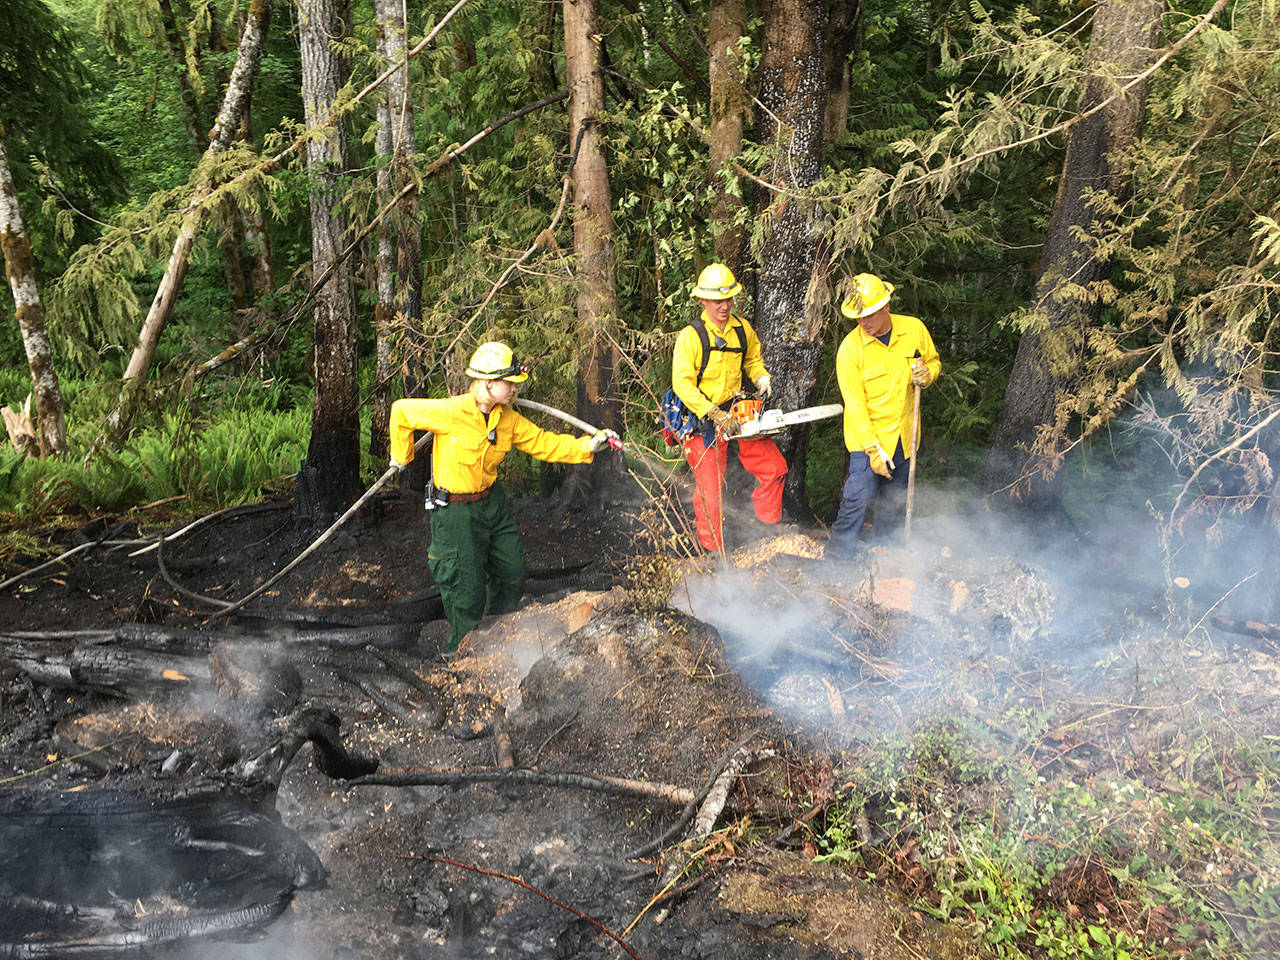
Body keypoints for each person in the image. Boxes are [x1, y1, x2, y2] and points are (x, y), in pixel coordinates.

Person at [389, 341, 619, 649]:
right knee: (465, 587)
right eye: (508, 384)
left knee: (512, 571)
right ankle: (464, 652)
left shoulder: (507, 419)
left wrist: (586, 446)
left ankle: (496, 632)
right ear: (488, 383)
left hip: (491, 504)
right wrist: (401, 456)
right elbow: (401, 411)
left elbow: (543, 443)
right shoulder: (451, 411)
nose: (514, 390)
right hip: (455, 512)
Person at [670, 262, 788, 552]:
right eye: (717, 300)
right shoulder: (691, 337)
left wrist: (762, 377)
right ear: (703, 300)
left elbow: (752, 360)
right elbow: (682, 385)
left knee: (774, 468)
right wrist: (714, 413)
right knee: (710, 491)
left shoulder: (741, 330)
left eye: (728, 299)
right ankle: (713, 553)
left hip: (737, 412)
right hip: (700, 416)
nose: (724, 306)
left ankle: (768, 528)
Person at [828, 273, 941, 558]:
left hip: (905, 437)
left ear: (886, 307)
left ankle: (882, 558)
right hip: (866, 440)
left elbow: (933, 361)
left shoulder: (913, 329)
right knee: (858, 497)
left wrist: (927, 375)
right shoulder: (850, 350)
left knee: (893, 502)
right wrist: (873, 450)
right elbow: (855, 406)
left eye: (868, 315)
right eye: (858, 317)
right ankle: (837, 558)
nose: (863, 323)